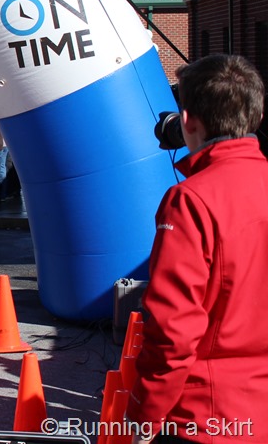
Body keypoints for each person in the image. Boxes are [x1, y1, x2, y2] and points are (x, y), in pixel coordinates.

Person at [124, 54, 268, 444]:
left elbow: (174, 331)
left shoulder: (190, 201)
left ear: (187, 121)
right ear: (256, 115)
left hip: (207, 415)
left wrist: (143, 414)